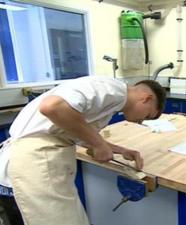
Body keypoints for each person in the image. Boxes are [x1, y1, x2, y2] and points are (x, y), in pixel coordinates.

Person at [0, 76, 166, 225]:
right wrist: (99, 144)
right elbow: (51, 107)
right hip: (32, 163)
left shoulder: (113, 101)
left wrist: (119, 150)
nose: (141, 121)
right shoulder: (111, 90)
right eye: (147, 115)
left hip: (40, 160)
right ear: (146, 99)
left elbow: (76, 132)